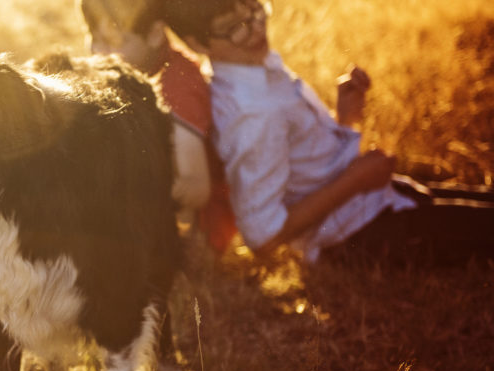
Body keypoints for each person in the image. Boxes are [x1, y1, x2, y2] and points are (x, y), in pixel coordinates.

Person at [162, 0, 494, 265]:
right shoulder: (250, 113)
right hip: (363, 233)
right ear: (196, 43)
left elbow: (300, 163)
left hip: (378, 199)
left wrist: (345, 117)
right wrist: (356, 179)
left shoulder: (256, 69)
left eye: (253, 8)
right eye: (234, 27)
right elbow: (262, 235)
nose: (255, 28)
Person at [79, 0, 238, 254]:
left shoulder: (176, 86)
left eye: (116, 43)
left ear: (154, 33)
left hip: (199, 229)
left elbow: (196, 187)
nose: (102, 54)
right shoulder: (127, 69)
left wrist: (126, 193)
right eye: (95, 39)